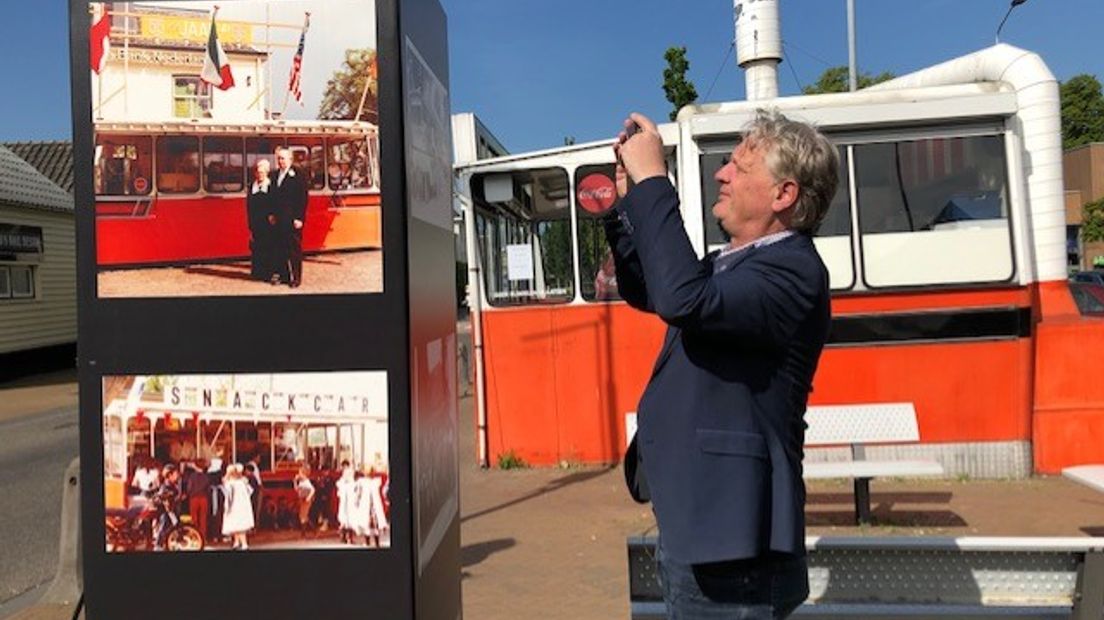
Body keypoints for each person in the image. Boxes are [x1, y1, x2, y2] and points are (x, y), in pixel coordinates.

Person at [610, 109, 837, 618]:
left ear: (784, 195)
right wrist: (630, 205)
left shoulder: (793, 270)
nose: (722, 174)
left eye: (739, 166)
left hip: (737, 542)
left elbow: (682, 300)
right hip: (704, 525)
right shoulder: (738, 261)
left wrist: (653, 181)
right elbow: (650, 287)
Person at [270, 146, 308, 288]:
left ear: (290, 159)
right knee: (280, 248)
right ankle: (284, 276)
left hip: (293, 220)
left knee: (294, 250)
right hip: (278, 219)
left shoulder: (298, 175)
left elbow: (303, 198)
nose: (281, 161)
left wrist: (300, 218)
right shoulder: (274, 175)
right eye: (279, 158)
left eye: (283, 158)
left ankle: (296, 278)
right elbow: (272, 197)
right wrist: (272, 214)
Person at [246, 159, 284, 283]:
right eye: (258, 172)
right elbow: (249, 206)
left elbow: (276, 203)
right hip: (256, 221)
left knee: (270, 247)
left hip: (269, 222)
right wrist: (250, 224)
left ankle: (270, 273)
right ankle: (258, 273)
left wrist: (274, 216)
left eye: (262, 172)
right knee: (257, 248)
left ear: (267, 172)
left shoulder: (272, 185)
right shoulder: (251, 187)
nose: (260, 174)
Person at [221, 464, 255, 550]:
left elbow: (227, 493)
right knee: (237, 525)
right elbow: (250, 492)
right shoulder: (243, 482)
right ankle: (236, 542)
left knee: (238, 525)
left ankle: (244, 544)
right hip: (243, 506)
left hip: (234, 506)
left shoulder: (231, 483)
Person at [151, 464, 182, 551]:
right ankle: (158, 546)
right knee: (163, 527)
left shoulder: (173, 485)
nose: (177, 475)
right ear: (169, 475)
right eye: (175, 474)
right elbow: (162, 496)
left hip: (171, 510)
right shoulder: (166, 486)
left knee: (170, 527)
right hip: (166, 511)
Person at [181, 460, 211, 547]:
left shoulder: (192, 476)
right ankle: (203, 537)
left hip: (194, 498)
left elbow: (189, 488)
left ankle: (195, 537)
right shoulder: (206, 476)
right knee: (203, 519)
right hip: (204, 498)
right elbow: (208, 489)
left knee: (194, 518)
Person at [293, 466, 315, 537]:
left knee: (303, 516)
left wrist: (308, 497)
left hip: (306, 500)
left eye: (300, 473)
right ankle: (313, 529)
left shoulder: (306, 481)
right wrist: (295, 481)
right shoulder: (301, 482)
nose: (299, 474)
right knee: (302, 516)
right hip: (302, 499)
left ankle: (303, 533)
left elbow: (312, 489)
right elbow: (297, 489)